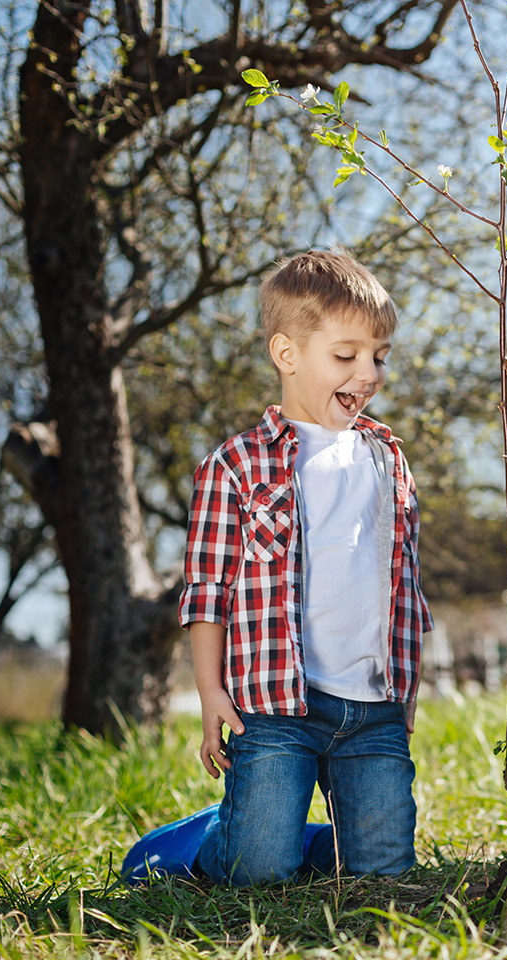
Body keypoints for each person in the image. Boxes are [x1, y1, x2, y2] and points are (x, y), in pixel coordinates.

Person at [123, 250, 432, 885]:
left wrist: (406, 690)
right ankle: (207, 840)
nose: (368, 373)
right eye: (346, 356)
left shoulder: (389, 462)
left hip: (370, 709)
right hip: (273, 707)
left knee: (385, 877)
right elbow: (208, 591)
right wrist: (210, 692)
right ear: (286, 354)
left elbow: (405, 591)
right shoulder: (234, 466)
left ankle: (298, 832)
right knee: (259, 871)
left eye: (379, 355)